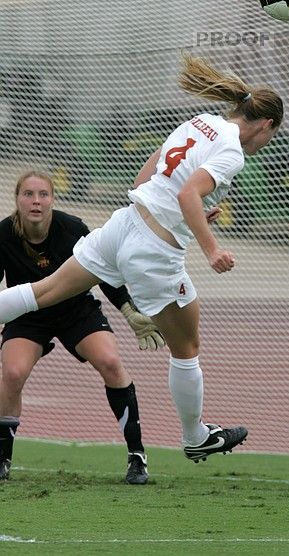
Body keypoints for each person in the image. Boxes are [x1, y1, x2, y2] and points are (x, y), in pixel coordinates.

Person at [0, 54, 284, 464]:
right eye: (269, 137)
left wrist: (185, 217)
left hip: (123, 223)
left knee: (43, 292)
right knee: (186, 346)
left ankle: (196, 434)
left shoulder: (200, 122)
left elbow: (151, 176)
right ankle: (195, 436)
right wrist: (212, 248)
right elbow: (187, 193)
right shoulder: (233, 151)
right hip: (153, 251)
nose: (264, 144)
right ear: (265, 125)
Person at [0, 171, 165, 483]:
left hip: (76, 309)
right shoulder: (3, 233)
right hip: (28, 314)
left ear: (52, 199)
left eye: (43, 194)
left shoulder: (72, 228)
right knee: (12, 372)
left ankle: (137, 456)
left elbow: (104, 271)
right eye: (28, 194)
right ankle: (2, 458)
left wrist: (129, 311)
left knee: (111, 362)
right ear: (17, 199)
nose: (36, 201)